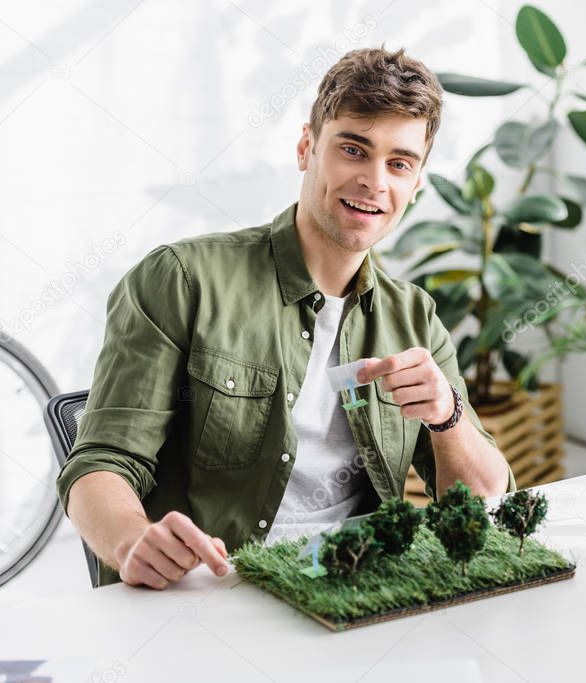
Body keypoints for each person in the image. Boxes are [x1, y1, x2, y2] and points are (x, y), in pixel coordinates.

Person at [55, 47, 513, 590]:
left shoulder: (413, 318)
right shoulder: (182, 279)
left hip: (354, 593)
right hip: (206, 599)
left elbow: (487, 501)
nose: (374, 181)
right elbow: (98, 465)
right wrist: (132, 539)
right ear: (306, 148)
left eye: (399, 164)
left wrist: (449, 415)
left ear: (415, 187)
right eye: (352, 149)